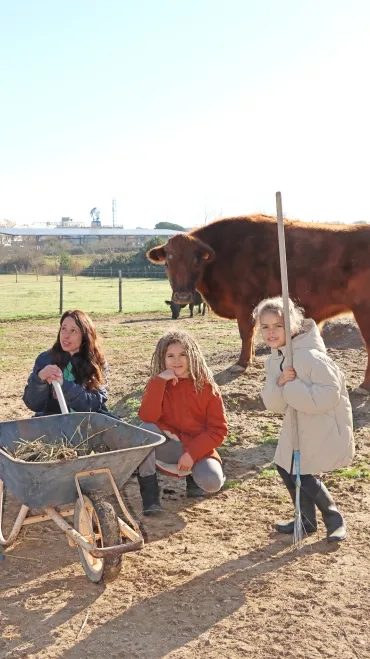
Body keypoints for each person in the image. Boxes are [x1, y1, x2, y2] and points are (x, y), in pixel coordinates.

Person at [253, 296, 355, 543]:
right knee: (285, 467)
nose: (271, 332)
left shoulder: (311, 356)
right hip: (296, 424)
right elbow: (275, 405)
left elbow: (330, 395)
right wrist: (279, 383)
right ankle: (306, 520)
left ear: (293, 325)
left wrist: (292, 386)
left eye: (278, 325)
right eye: (265, 327)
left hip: (321, 424)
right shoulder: (275, 359)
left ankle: (335, 520)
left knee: (302, 473)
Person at [137, 330, 228, 515]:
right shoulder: (158, 384)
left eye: (182, 355)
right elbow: (148, 417)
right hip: (170, 446)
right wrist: (158, 382)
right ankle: (150, 498)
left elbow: (218, 431)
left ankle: (194, 480)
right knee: (144, 430)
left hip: (197, 449)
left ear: (192, 356)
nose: (176, 361)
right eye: (170, 355)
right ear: (162, 359)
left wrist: (192, 454)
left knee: (212, 482)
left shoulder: (208, 388)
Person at [23, 310, 109, 416]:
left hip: (89, 424)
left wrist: (64, 385)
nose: (66, 335)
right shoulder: (45, 359)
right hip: (52, 424)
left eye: (73, 331)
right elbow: (33, 404)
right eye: (63, 329)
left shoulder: (96, 363)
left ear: (85, 336)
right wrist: (39, 379)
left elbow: (94, 405)